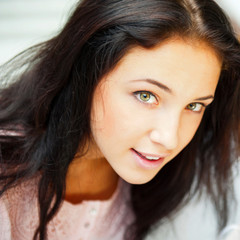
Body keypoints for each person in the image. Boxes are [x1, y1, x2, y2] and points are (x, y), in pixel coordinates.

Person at [0, 0, 240, 239]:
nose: (169, 138)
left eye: (194, 105)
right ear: (87, 72)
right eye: (146, 96)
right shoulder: (7, 179)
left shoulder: (180, 176)